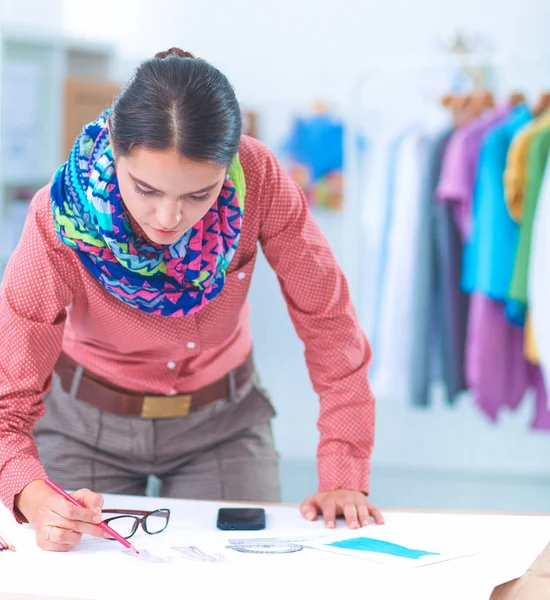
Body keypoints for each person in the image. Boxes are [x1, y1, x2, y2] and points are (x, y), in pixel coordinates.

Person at [0, 47, 382, 552]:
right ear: (115, 146)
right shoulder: (58, 218)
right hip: (82, 427)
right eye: (146, 189)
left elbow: (329, 321)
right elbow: (7, 400)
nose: (167, 218)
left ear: (229, 165)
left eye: (198, 195)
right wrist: (28, 493)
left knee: (245, 577)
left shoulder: (261, 180)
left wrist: (343, 470)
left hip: (222, 422)